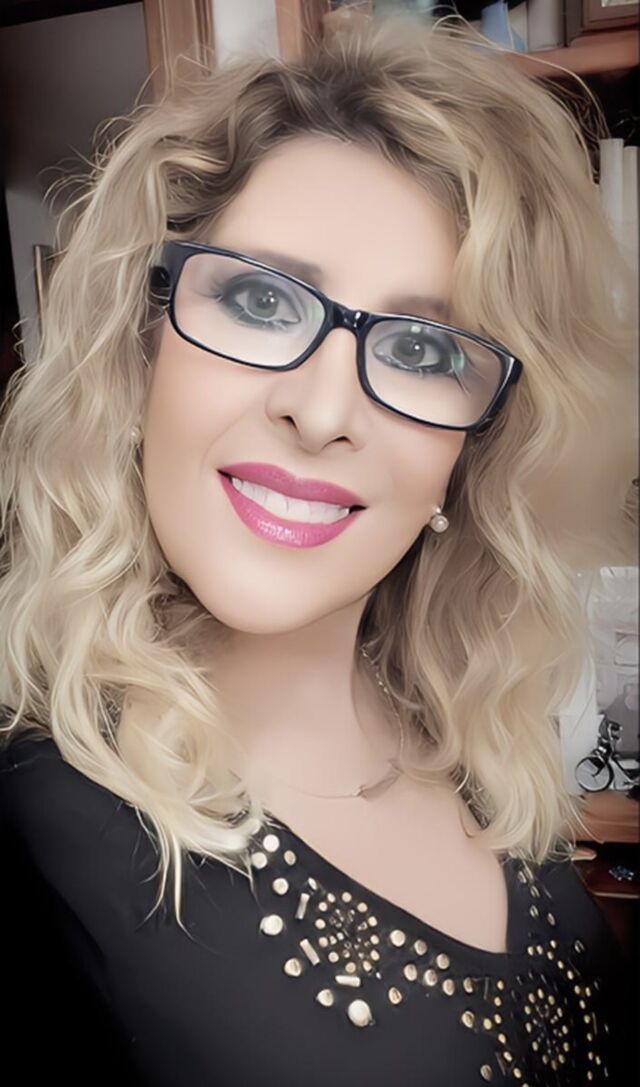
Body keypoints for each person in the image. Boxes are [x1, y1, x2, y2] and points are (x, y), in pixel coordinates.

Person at [0, 14, 636, 1087]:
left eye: (424, 348)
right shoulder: (34, 821)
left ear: (473, 447)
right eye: (259, 299)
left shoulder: (468, 736)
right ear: (142, 345)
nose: (323, 409)